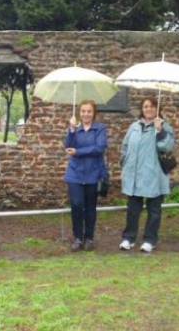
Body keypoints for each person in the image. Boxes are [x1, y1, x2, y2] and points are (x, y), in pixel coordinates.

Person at [119, 97, 175, 253]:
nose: (148, 109)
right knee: (133, 209)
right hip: (134, 175)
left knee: (154, 210)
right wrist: (124, 163)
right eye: (145, 106)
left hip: (154, 174)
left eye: (152, 106)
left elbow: (167, 147)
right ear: (142, 109)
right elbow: (125, 146)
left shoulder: (165, 127)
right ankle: (129, 238)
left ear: (157, 108)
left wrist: (160, 131)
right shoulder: (134, 127)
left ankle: (150, 239)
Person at [64, 100, 108, 252]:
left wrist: (79, 152)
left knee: (90, 207)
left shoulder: (100, 129)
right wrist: (71, 130)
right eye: (83, 111)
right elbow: (68, 146)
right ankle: (77, 238)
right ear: (79, 113)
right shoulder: (75, 128)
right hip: (75, 174)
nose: (86, 114)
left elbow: (99, 148)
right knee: (76, 205)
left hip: (93, 173)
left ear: (94, 113)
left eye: (89, 111)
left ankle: (89, 237)